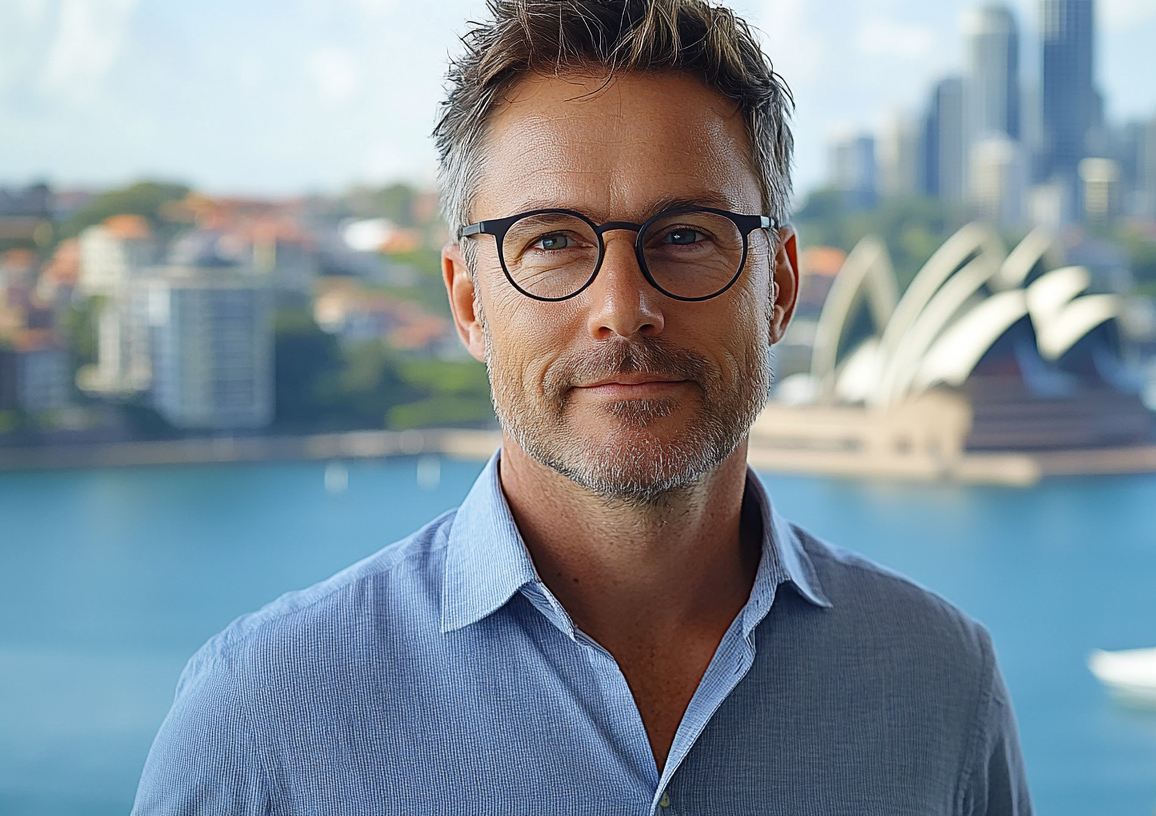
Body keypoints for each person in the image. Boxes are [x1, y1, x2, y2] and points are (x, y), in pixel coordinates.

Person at [133, 1, 1033, 813]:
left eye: (685, 237)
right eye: (553, 241)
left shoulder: (941, 682)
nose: (622, 307)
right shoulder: (259, 720)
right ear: (470, 301)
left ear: (780, 288)